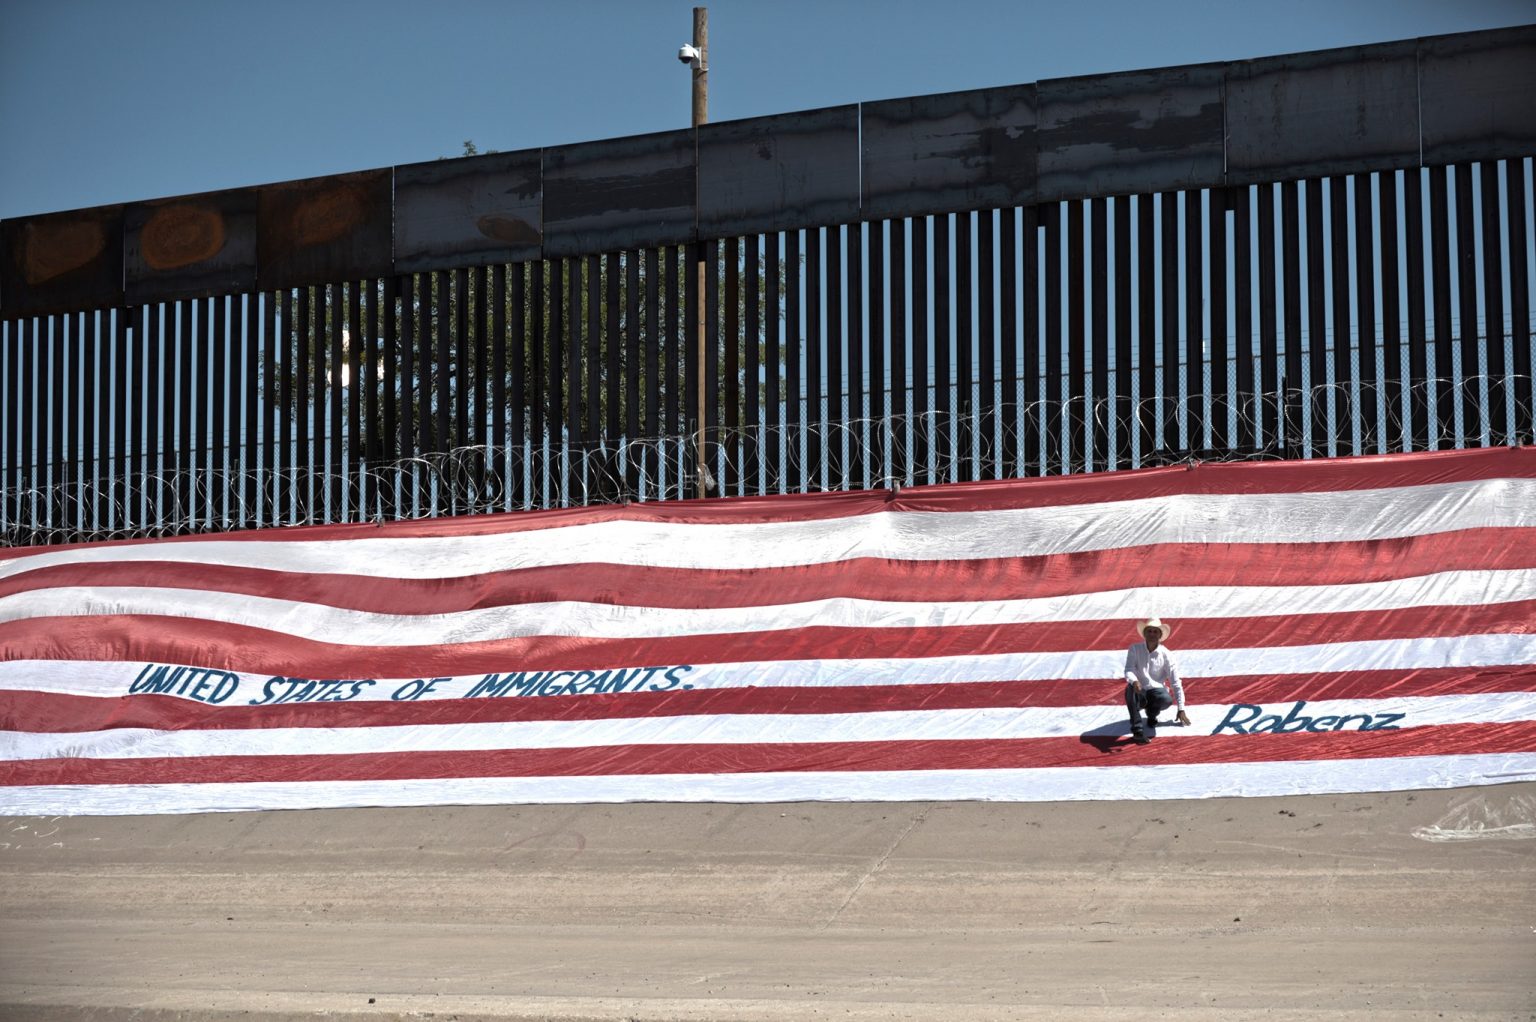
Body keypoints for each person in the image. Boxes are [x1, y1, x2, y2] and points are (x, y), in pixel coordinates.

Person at [1124, 617, 1190, 744]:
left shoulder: (1167, 655)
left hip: (1156, 691)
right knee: (1130, 689)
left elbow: (1175, 682)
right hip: (1140, 690)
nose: (1152, 634)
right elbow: (1129, 669)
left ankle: (1152, 714)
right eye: (1149, 631)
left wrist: (1181, 708)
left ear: (1160, 635)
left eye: (1155, 631)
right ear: (1144, 633)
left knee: (1166, 700)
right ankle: (1137, 730)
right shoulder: (1134, 649)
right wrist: (1134, 681)